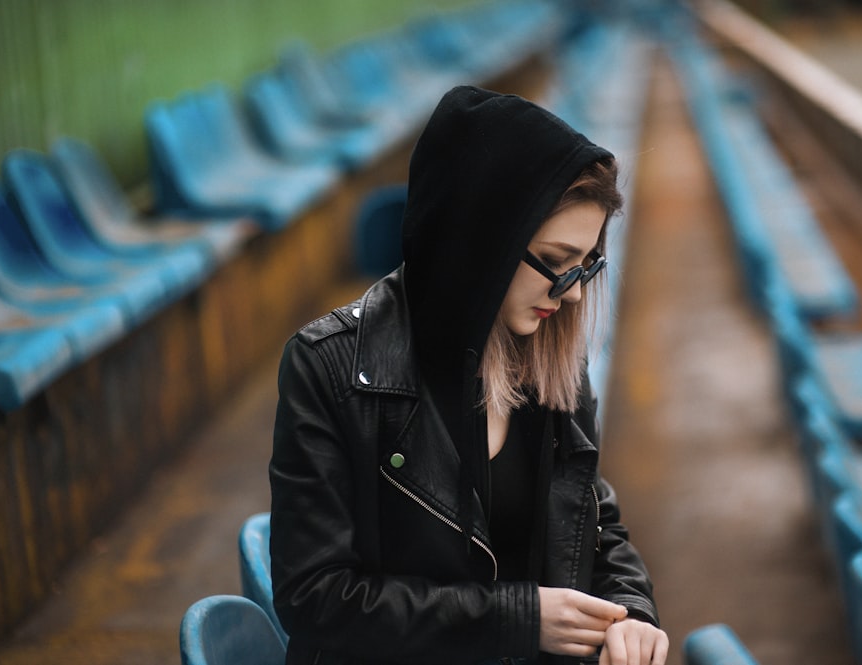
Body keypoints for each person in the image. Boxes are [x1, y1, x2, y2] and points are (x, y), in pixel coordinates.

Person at [270, 85, 668, 665]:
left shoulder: (551, 358)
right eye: (556, 264)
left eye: (586, 266)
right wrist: (518, 619)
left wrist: (630, 612)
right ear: (481, 241)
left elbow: (594, 518)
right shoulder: (330, 366)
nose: (576, 293)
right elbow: (317, 598)